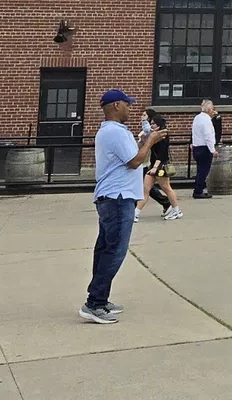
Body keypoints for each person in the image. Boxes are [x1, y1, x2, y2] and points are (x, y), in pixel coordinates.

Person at [81, 89, 164, 325]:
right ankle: (94, 302)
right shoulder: (114, 132)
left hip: (113, 196)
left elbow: (133, 156)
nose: (130, 108)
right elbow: (135, 161)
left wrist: (142, 142)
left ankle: (100, 298)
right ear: (116, 105)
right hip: (118, 197)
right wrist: (150, 141)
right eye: (127, 104)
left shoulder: (114, 131)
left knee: (106, 248)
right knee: (115, 250)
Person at [135, 109, 182, 222]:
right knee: (145, 189)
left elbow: (162, 153)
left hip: (160, 165)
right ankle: (135, 213)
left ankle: (176, 210)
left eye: (154, 124)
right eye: (151, 124)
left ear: (159, 125)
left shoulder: (163, 135)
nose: (152, 125)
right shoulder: (153, 135)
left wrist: (155, 167)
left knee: (166, 187)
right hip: (153, 165)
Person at [190, 100, 217, 199]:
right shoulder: (206, 120)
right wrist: (212, 150)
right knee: (204, 171)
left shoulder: (197, 118)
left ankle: (198, 188)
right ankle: (198, 191)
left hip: (197, 146)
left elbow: (194, 132)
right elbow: (208, 136)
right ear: (210, 110)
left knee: (200, 170)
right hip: (204, 148)